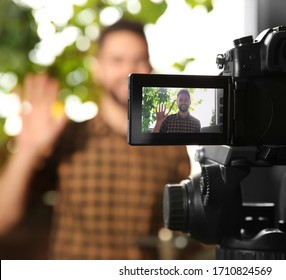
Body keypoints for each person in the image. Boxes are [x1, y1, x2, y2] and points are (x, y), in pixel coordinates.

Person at [0, 20, 191, 259]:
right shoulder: (68, 138)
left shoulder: (170, 147)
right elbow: (3, 220)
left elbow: (190, 227)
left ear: (150, 67)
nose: (129, 70)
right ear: (97, 68)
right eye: (117, 60)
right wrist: (28, 149)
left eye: (138, 59)